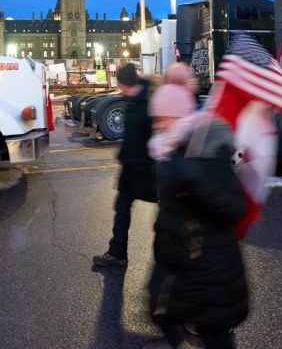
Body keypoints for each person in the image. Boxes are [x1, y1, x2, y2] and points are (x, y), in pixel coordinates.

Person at [144, 82, 249, 349]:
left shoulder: (203, 154)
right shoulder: (174, 151)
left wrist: (193, 177)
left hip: (207, 267)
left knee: (213, 331)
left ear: (179, 117)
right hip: (181, 259)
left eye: (161, 119)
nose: (156, 126)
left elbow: (234, 207)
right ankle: (173, 340)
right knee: (165, 308)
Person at [92, 63, 157, 267]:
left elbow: (152, 138)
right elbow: (130, 135)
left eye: (119, 83)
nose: (118, 87)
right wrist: (122, 154)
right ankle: (117, 252)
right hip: (131, 167)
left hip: (148, 169)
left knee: (167, 212)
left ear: (125, 82)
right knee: (121, 208)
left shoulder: (147, 103)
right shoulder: (132, 100)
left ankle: (172, 258)